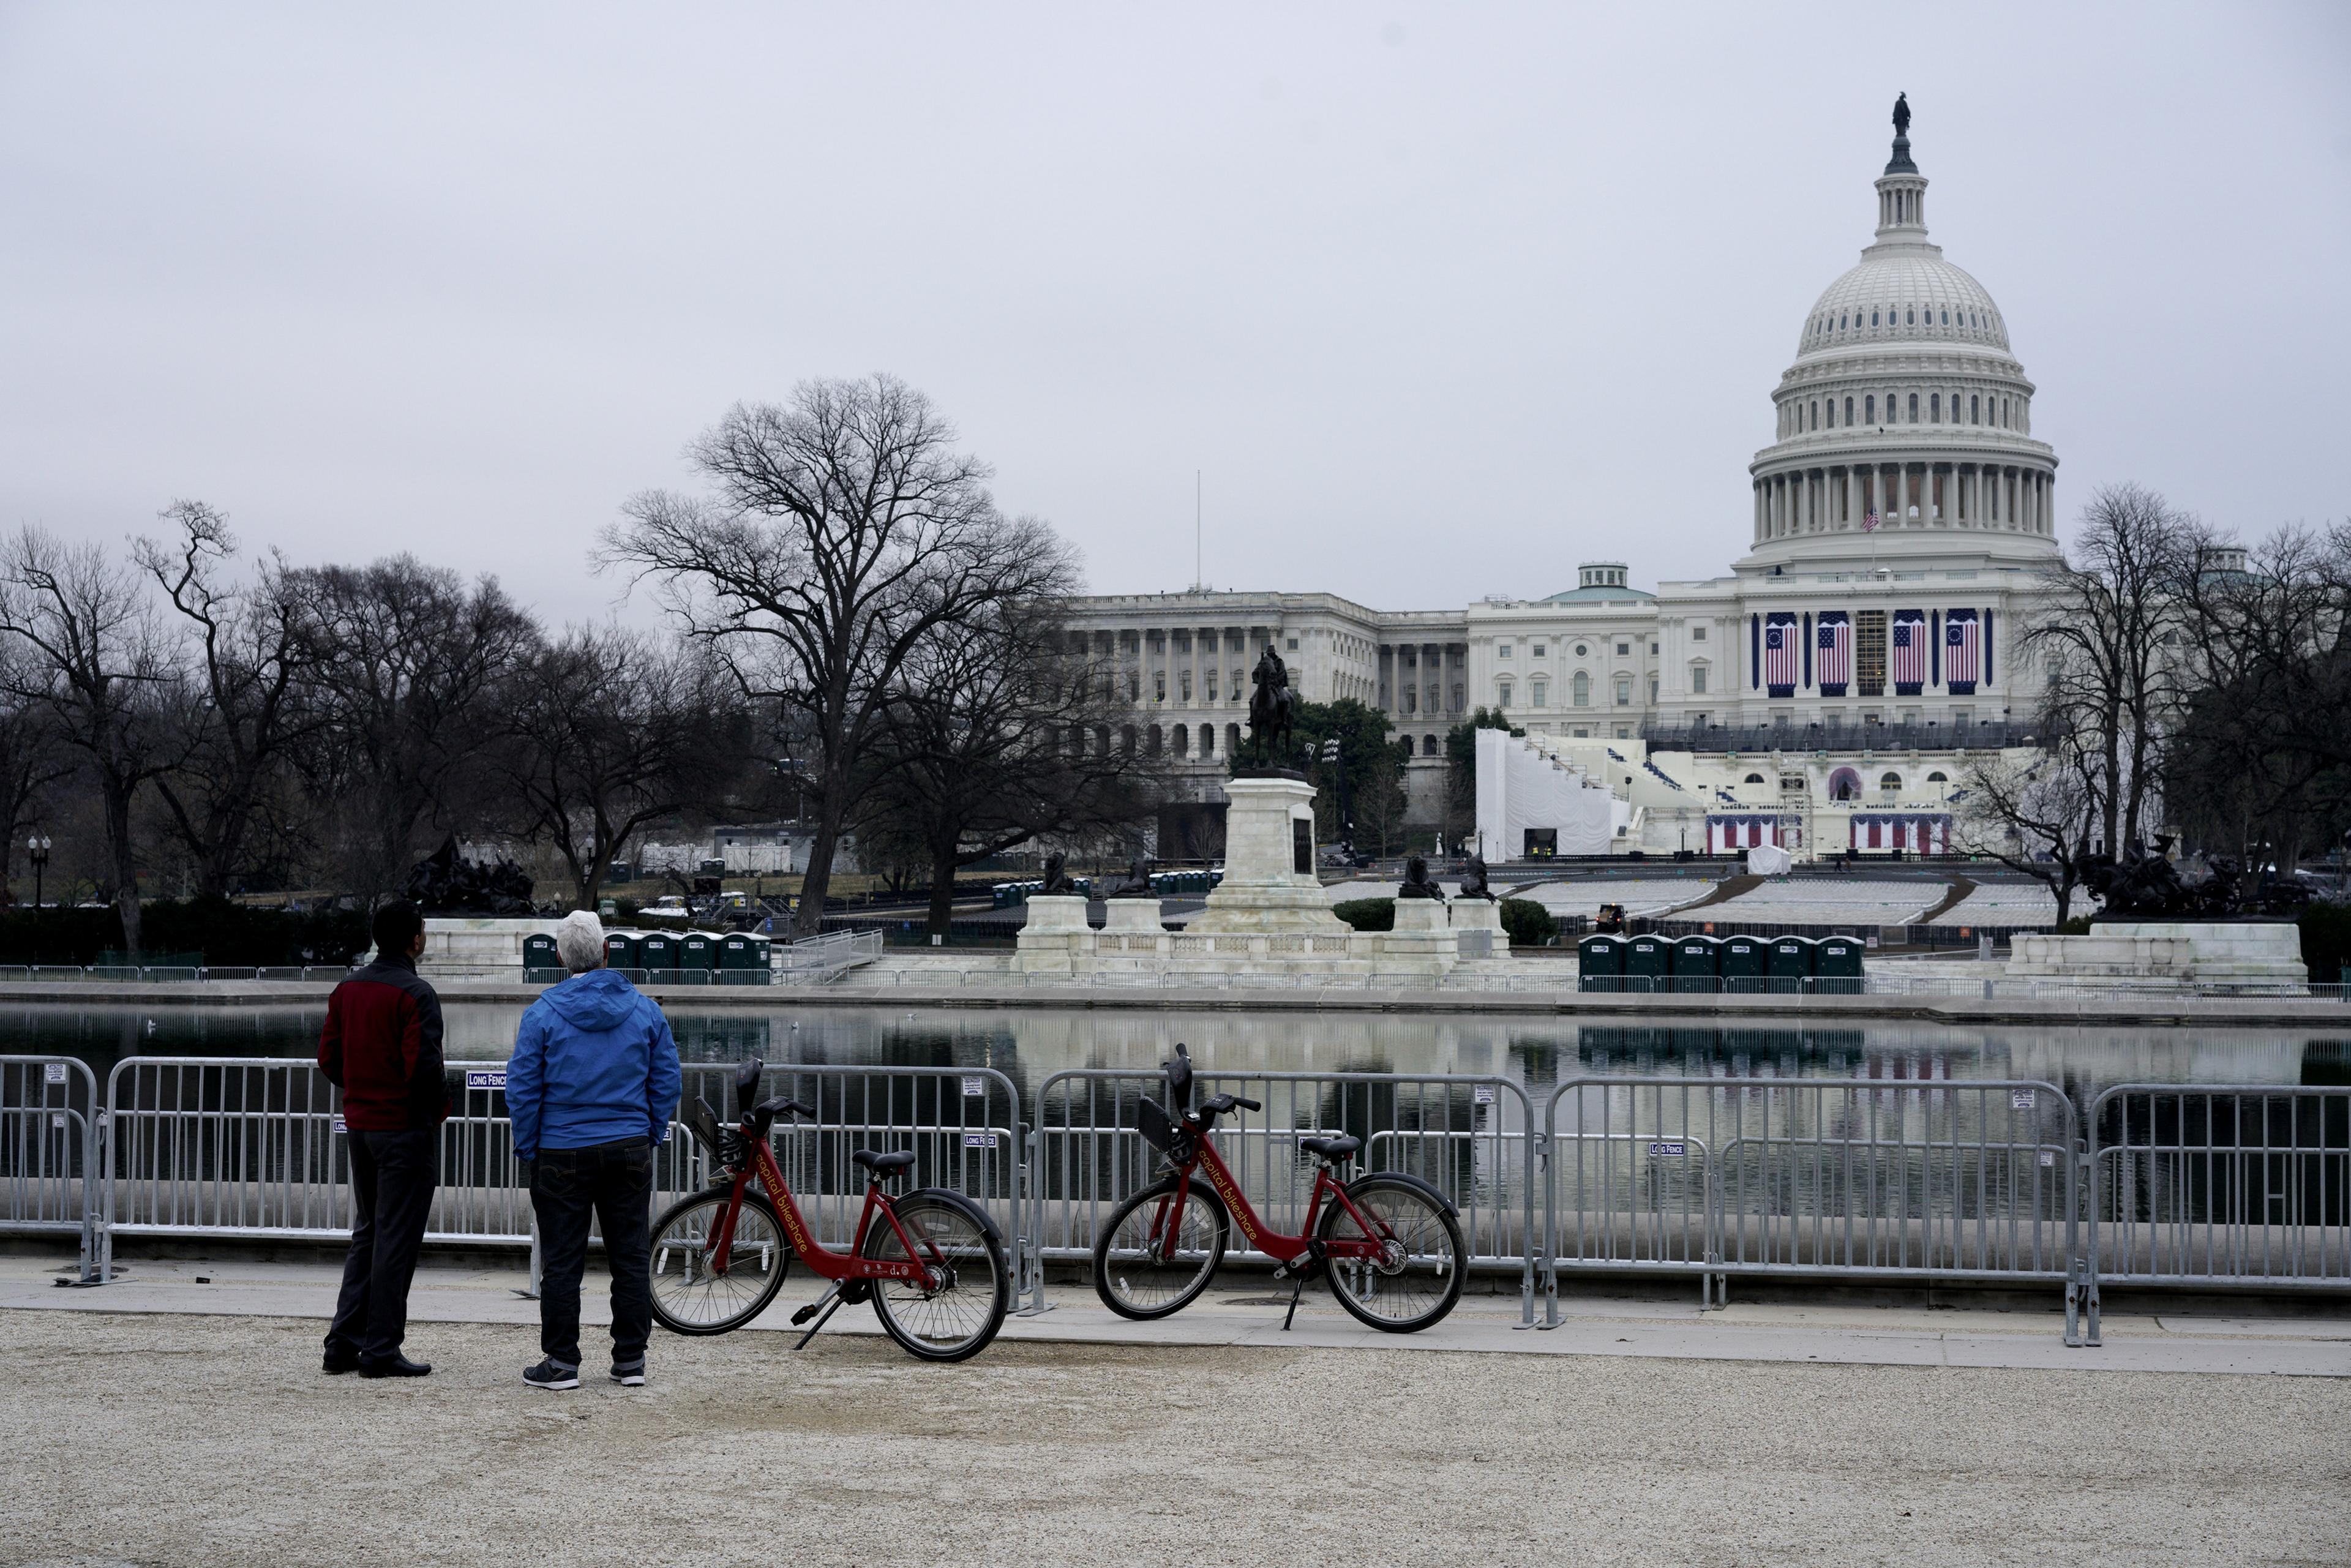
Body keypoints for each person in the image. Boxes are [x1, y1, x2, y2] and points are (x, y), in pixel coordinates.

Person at [506, 909, 681, 1392]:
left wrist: (530, 1146)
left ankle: (562, 1360)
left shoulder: (542, 1013)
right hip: (627, 1147)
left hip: (561, 1151)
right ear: (607, 952)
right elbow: (667, 1079)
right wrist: (648, 1131)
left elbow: (522, 1089)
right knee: (630, 1255)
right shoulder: (644, 1009)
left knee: (562, 1261)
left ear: (561, 957)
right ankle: (630, 1359)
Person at [318, 901, 448, 1379]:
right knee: (396, 1238)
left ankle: (343, 1341)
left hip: (362, 1124)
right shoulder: (416, 993)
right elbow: (426, 1069)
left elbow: (329, 1058)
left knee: (368, 1232)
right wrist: (434, 1112)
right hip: (404, 1128)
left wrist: (361, 1090)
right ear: (415, 940)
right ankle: (380, 1347)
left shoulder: (348, 988)